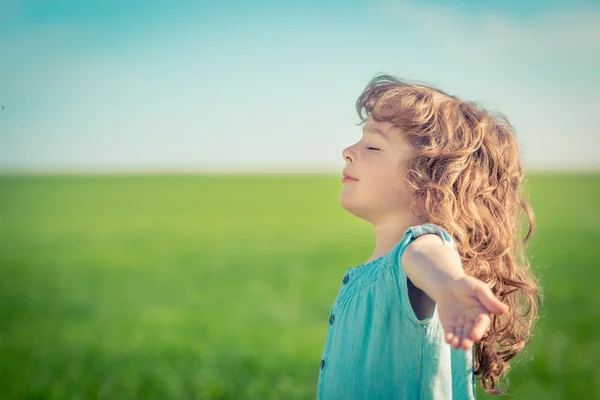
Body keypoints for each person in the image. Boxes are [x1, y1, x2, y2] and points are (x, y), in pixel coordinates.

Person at [317, 75, 541, 399]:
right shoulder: (381, 269)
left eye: (373, 146)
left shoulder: (418, 251)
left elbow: (429, 254)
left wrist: (450, 284)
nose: (348, 152)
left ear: (429, 180)